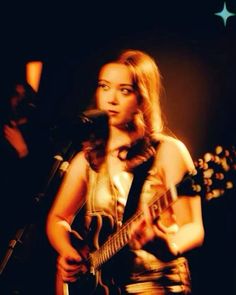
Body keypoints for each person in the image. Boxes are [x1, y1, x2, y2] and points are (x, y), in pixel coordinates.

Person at [46, 49, 205, 295]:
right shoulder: (86, 159)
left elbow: (194, 227)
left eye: (124, 90)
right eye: (104, 87)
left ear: (142, 99)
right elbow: (57, 218)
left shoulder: (168, 151)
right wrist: (68, 252)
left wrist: (167, 246)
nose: (111, 99)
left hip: (156, 283)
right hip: (105, 286)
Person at [0, 81, 54, 294]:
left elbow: (37, 185)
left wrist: (22, 151)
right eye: (16, 95)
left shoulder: (39, 137)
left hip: (16, 220)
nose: (19, 101)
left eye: (24, 97)